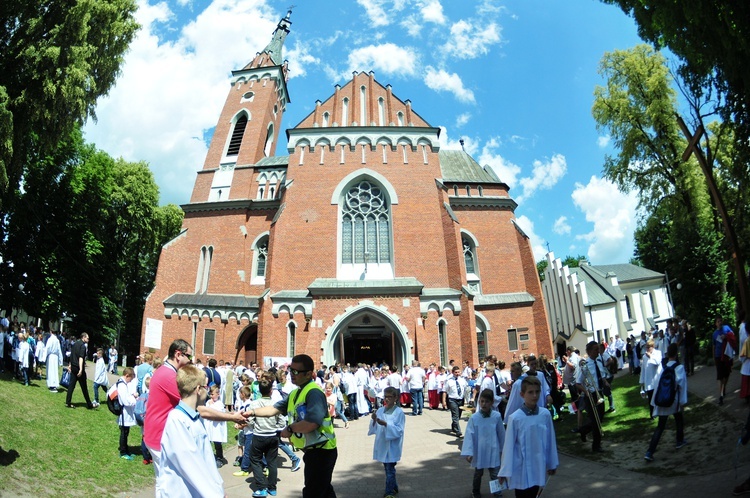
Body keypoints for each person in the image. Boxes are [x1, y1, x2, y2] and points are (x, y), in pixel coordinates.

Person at [143, 339, 246, 490]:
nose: (191, 361)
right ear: (178, 354)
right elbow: (198, 408)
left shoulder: (166, 372)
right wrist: (232, 417)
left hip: (158, 433)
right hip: (161, 436)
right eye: (189, 357)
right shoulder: (168, 376)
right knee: (173, 484)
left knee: (167, 482)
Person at [248, 354, 337, 498]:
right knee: (323, 490)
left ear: (309, 374)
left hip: (322, 452)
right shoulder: (295, 393)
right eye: (290, 370)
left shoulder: (313, 392)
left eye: (296, 371)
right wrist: (250, 412)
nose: (292, 374)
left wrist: (290, 429)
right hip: (312, 451)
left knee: (313, 492)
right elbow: (273, 409)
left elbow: (312, 423)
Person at [157, 364, 225, 497]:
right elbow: (190, 464)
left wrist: (219, 487)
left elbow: (206, 459)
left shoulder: (195, 417)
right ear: (198, 389)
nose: (208, 392)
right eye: (206, 388)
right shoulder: (177, 420)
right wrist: (215, 494)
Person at [499, 376, 558, 498]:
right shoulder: (515, 418)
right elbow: (508, 446)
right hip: (521, 468)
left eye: (537, 392)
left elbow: (550, 441)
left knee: (534, 493)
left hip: (538, 465)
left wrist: (552, 463)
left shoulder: (544, 415)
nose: (534, 395)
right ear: (522, 394)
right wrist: (504, 471)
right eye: (530, 392)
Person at [644, 344, 688, 461]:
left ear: (667, 354)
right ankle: (679, 440)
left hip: (663, 401)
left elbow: (657, 385)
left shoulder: (662, 367)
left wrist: (655, 402)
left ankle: (650, 452)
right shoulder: (679, 368)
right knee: (679, 419)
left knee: (660, 427)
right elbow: (682, 386)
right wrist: (683, 402)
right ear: (677, 353)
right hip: (674, 401)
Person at [461, 389, 506, 498]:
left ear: (491, 403)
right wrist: (469, 452)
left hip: (493, 450)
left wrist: (504, 450)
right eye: (482, 401)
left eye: (486, 401)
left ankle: (497, 493)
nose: (484, 404)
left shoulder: (496, 416)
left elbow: (501, 433)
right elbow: (469, 435)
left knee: (495, 474)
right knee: (478, 473)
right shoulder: (475, 418)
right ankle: (475, 492)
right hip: (479, 450)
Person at [247, 379, 284, 497]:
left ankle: (262, 487)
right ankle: (272, 488)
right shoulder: (276, 404)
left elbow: (250, 420)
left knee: (255, 460)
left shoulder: (254, 404)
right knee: (272, 462)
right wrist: (274, 426)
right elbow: (282, 422)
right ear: (271, 391)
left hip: (259, 435)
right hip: (272, 435)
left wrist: (254, 425)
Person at [368, 386, 405, 498]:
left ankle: (389, 492)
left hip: (392, 445)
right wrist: (374, 420)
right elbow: (373, 429)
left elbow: (399, 430)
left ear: (395, 398)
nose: (387, 399)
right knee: (388, 468)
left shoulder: (399, 413)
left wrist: (386, 424)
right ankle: (394, 486)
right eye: (385, 397)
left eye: (390, 397)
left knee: (390, 468)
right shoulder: (380, 410)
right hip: (382, 444)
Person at [576, 341, 608, 452]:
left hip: (599, 392)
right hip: (590, 395)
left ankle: (583, 430)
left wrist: (605, 382)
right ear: (589, 352)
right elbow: (578, 383)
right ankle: (596, 446)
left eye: (598, 349)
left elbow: (601, 376)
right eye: (595, 349)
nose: (598, 351)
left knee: (600, 417)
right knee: (595, 422)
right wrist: (586, 391)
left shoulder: (598, 362)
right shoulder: (585, 365)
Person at [65, 332, 94, 409]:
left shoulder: (75, 344)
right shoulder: (83, 346)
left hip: (73, 367)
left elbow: (72, 355)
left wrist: (70, 365)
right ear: (83, 337)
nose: (88, 339)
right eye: (87, 338)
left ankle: (68, 402)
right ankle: (89, 404)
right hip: (78, 367)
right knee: (84, 387)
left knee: (71, 385)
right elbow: (81, 358)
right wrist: (81, 369)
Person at [116, 367, 139, 460]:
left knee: (126, 432)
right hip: (124, 413)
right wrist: (134, 400)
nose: (131, 381)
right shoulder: (121, 385)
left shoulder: (124, 384)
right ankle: (123, 452)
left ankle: (126, 450)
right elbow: (125, 401)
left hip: (126, 412)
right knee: (124, 432)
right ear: (127, 376)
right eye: (131, 378)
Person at [714, 316, 737, 405]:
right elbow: (714, 346)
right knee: (720, 377)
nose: (720, 322)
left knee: (726, 375)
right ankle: (720, 396)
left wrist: (726, 336)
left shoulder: (726, 328)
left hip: (726, 355)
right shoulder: (714, 334)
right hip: (718, 356)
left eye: (721, 321)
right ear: (716, 323)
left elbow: (733, 336)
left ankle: (724, 388)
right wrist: (714, 357)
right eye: (718, 321)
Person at [639, 339, 663, 418]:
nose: (647, 349)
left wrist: (651, 356)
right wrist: (641, 382)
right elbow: (643, 370)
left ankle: (660, 412)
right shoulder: (644, 357)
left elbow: (657, 362)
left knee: (658, 397)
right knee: (650, 399)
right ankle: (652, 414)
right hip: (649, 381)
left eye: (649, 347)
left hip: (657, 379)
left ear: (653, 347)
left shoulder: (658, 353)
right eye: (646, 347)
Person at [206, 385, 228, 467]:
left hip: (217, 427)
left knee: (217, 444)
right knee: (208, 442)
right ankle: (208, 457)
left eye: (213, 394)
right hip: (209, 426)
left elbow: (217, 412)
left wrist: (211, 405)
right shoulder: (208, 402)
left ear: (218, 394)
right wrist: (209, 404)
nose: (211, 396)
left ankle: (219, 458)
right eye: (210, 394)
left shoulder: (220, 404)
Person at [446, 366, 468, 439]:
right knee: (455, 415)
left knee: (458, 416)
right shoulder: (449, 381)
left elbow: (465, 389)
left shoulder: (462, 380)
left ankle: (454, 426)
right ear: (452, 373)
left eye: (458, 372)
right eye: (456, 372)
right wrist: (444, 401)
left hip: (461, 399)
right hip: (452, 399)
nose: (457, 374)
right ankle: (458, 431)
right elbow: (446, 390)